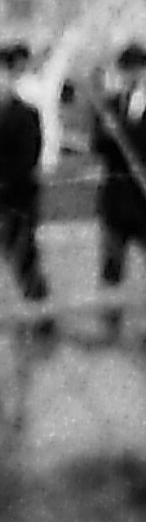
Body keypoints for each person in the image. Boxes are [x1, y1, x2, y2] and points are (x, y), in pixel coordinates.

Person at [0, 45, 48, 318]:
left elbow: (24, 164)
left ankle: (43, 317)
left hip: (17, 202)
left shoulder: (26, 116)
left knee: (24, 259)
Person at [89, 42, 146, 341]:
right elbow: (96, 146)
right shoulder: (110, 105)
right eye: (126, 69)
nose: (131, 75)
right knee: (111, 267)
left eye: (137, 69)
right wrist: (107, 132)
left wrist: (125, 128)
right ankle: (109, 327)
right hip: (116, 199)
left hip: (143, 200)